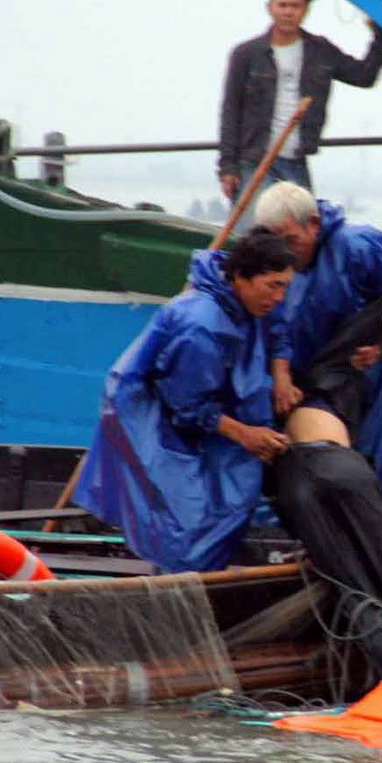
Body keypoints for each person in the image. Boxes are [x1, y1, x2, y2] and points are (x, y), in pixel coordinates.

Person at [72, 230, 295, 573]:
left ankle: (203, 568)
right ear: (241, 276)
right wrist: (245, 434)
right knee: (186, 524)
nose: (280, 297)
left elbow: (279, 330)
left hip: (198, 401)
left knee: (238, 489)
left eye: (285, 286)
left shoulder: (250, 302)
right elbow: (186, 406)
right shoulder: (202, 326)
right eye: (273, 286)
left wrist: (281, 376)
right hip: (149, 411)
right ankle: (178, 584)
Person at [253, 181, 382, 542]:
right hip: (327, 385)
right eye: (275, 240)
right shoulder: (277, 267)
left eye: (291, 239)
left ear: (314, 223)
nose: (286, 250)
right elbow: (275, 328)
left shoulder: (357, 246)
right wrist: (282, 374)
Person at [216, 0, 382, 206]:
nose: (288, 12)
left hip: (296, 162)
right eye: (282, 5)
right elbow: (230, 111)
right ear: (270, 7)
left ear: (306, 10)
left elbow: (364, 76)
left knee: (303, 233)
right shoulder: (246, 54)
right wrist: (227, 167)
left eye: (296, 6)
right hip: (253, 162)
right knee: (253, 234)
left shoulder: (321, 51)